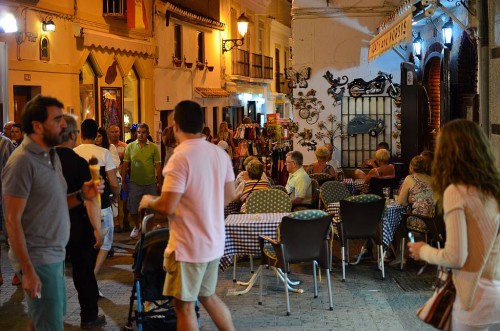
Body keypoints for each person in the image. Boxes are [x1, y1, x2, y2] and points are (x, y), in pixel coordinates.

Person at [2, 95, 101, 331]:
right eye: (57, 120)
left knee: (43, 320)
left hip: (54, 255)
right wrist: (27, 271)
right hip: (38, 259)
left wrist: (81, 195)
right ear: (37, 126)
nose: (64, 125)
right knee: (50, 322)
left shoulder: (51, 155)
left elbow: (54, 202)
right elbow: (12, 220)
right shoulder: (22, 163)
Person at [138, 100, 236, 331]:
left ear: (174, 125)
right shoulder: (219, 154)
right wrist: (206, 206)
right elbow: (230, 195)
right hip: (213, 241)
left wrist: (149, 201)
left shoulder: (179, 158)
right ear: (202, 125)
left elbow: (168, 205)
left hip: (188, 245)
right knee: (208, 296)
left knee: (184, 306)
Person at [408, 119, 500, 331]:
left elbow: (456, 256)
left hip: (474, 298)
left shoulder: (456, 192)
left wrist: (424, 251)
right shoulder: (493, 190)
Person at [55, 115, 105, 329]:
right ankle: (89, 316)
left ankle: (51, 316)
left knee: (52, 273)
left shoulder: (44, 160)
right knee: (83, 272)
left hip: (51, 227)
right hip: (77, 225)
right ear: (74, 135)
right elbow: (91, 200)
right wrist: (98, 229)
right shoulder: (79, 164)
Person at [74, 119, 120, 284]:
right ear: (96, 135)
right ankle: (92, 276)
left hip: (80, 206)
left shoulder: (74, 152)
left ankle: (86, 276)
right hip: (101, 204)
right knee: (106, 242)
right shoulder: (103, 153)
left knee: (85, 244)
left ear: (81, 133)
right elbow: (114, 182)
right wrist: (116, 195)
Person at [122, 123, 162, 239]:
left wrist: (159, 182)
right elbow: (125, 164)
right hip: (135, 183)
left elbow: (158, 166)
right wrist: (124, 181)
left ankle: (148, 231)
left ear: (147, 133)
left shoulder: (153, 147)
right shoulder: (130, 146)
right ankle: (137, 225)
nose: (140, 135)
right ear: (136, 133)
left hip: (150, 184)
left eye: (143, 132)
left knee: (151, 210)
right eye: (138, 132)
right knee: (133, 209)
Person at [397, 155, 434, 232]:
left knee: (398, 223)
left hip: (420, 220)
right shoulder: (432, 179)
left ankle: (401, 243)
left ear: (411, 167)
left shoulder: (410, 178)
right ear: (425, 167)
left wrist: (411, 200)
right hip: (435, 222)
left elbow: (401, 202)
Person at [0, 134, 15, 288]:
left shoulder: (5, 144)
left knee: (10, 235)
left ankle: (19, 271)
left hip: (6, 197)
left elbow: (13, 171)